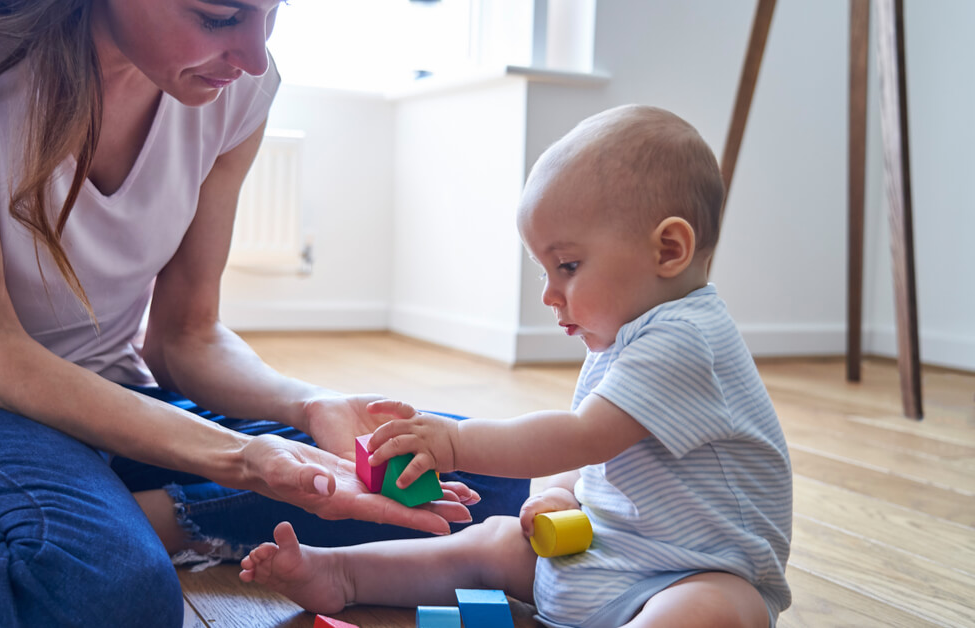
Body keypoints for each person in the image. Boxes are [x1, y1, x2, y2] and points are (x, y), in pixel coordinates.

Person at [0, 0, 529, 625]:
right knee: (108, 590)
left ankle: (121, 516)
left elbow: (185, 338)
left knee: (478, 487)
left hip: (113, 392)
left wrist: (313, 403)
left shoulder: (238, 95)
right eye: (219, 15)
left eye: (270, 14)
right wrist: (244, 461)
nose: (254, 57)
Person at [239, 104, 793, 627]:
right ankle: (343, 573)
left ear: (669, 250)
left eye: (569, 266)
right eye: (545, 270)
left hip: (689, 576)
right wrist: (556, 491)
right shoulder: (630, 339)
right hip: (605, 556)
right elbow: (595, 455)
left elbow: (584, 436)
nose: (551, 294)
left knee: (711, 609)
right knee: (492, 541)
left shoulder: (686, 340)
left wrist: (455, 442)